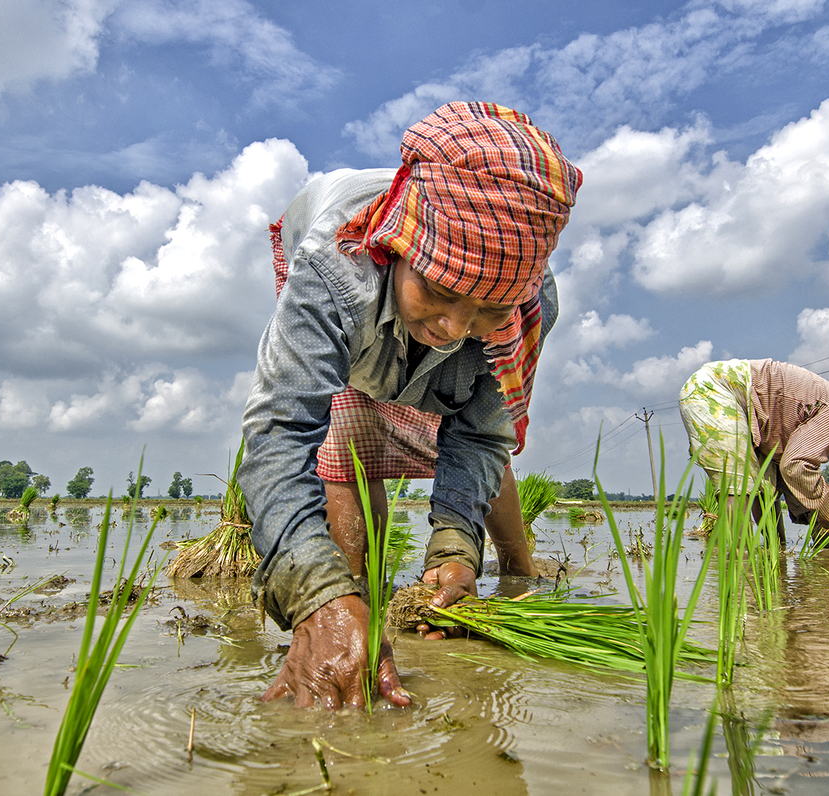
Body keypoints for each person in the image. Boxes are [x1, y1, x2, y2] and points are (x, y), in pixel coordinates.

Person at [239, 102, 582, 709]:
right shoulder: (332, 268)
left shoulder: (528, 302)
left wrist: (454, 549)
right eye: (441, 292)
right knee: (349, 430)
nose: (453, 329)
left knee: (479, 418)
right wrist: (319, 598)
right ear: (401, 246)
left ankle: (495, 569)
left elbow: (479, 436)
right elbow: (281, 429)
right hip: (343, 258)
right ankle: (347, 605)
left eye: (488, 310)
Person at [679, 359, 829, 543]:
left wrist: (799, 539)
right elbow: (797, 466)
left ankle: (775, 549)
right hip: (717, 390)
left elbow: (784, 474)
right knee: (739, 487)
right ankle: (738, 566)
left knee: (765, 487)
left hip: (739, 402)